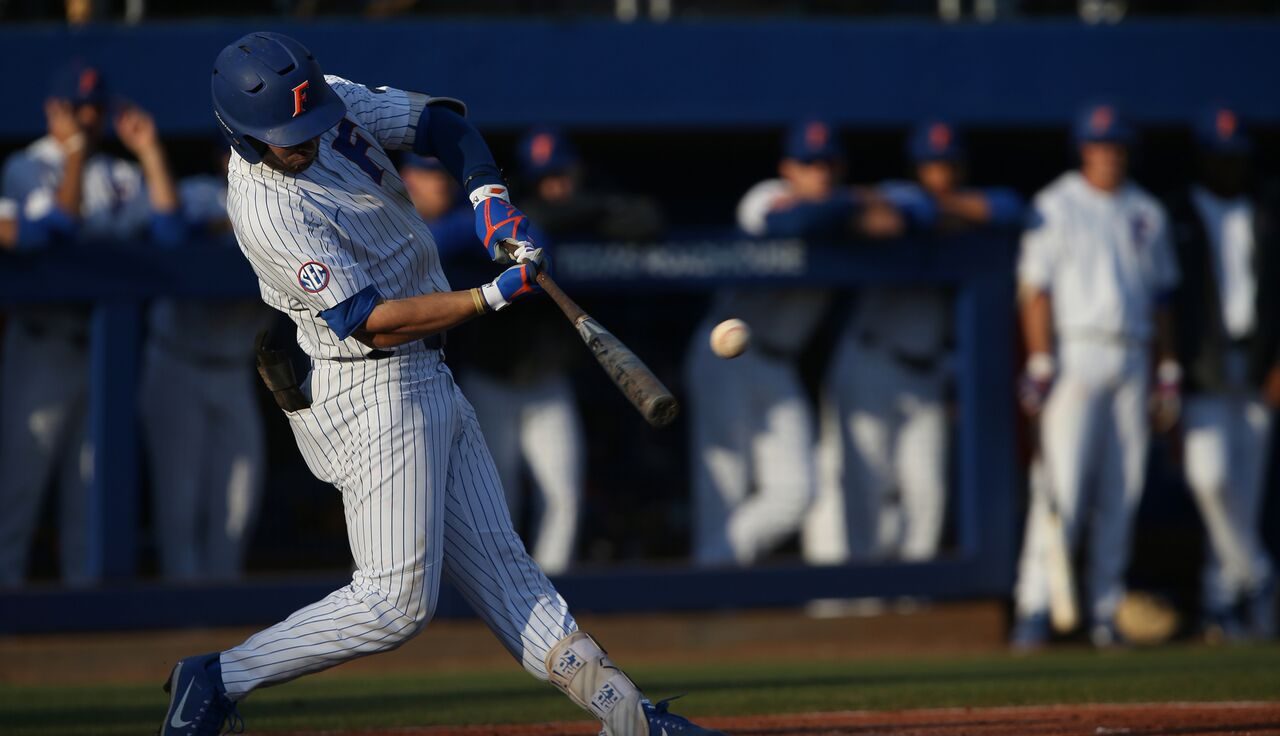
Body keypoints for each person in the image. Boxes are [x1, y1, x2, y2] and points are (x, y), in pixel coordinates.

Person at [159, 32, 723, 736]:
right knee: (395, 605)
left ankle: (630, 719)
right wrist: (488, 296)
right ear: (242, 134)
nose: (304, 141)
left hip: (426, 373)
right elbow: (372, 322)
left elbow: (441, 124)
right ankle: (214, 679)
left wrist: (489, 197)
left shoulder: (327, 101)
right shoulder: (268, 207)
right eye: (287, 136)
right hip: (369, 388)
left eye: (309, 125)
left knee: (509, 574)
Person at [687, 120, 900, 567]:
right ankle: (713, 594)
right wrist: (857, 204)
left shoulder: (839, 209)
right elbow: (792, 222)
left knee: (797, 493)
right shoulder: (763, 196)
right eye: (808, 164)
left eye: (827, 164)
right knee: (724, 492)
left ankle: (712, 568)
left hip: (779, 364)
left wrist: (850, 210)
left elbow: (906, 217)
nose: (818, 173)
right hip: (724, 356)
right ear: (788, 168)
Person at [0, 61, 180, 587]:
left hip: (102, 351)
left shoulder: (120, 175)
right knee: (18, 491)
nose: (88, 116)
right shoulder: (26, 166)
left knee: (90, 495)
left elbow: (170, 231)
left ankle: (84, 635)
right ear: (54, 110)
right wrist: (74, 153)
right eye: (77, 107)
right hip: (41, 345)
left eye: (96, 108)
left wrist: (148, 152)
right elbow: (56, 228)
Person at [1010, 103, 1181, 650]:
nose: (1109, 155)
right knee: (1062, 486)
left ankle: (1106, 607)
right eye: (1100, 146)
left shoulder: (1147, 211)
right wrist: (1040, 360)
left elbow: (1160, 301)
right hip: (1076, 351)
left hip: (1132, 353)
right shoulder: (1056, 205)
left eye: (1117, 147)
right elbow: (1035, 289)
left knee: (1122, 488)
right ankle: (1037, 605)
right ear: (1084, 149)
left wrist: (1167, 370)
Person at [814, 121, 1023, 564]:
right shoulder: (900, 194)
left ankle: (912, 606)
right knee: (866, 489)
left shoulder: (966, 207)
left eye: (948, 165)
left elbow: (1013, 209)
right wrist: (936, 214)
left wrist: (949, 211)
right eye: (931, 165)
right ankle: (865, 598)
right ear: (917, 167)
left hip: (924, 373)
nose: (940, 174)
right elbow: (896, 218)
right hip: (871, 358)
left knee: (928, 492)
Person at [139, 143, 275, 583]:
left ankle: (221, 608)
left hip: (234, 369)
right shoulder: (200, 193)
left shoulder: (293, 197)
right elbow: (170, 233)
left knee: (239, 500)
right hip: (178, 360)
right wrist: (251, 229)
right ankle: (183, 612)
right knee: (180, 501)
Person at [1168, 106, 1278, 641]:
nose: (1227, 167)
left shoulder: (1265, 211)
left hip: (1255, 364)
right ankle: (1256, 576)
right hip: (1202, 368)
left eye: (1234, 158)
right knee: (1209, 479)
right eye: (1218, 157)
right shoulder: (1181, 213)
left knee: (1244, 492)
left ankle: (1222, 603)